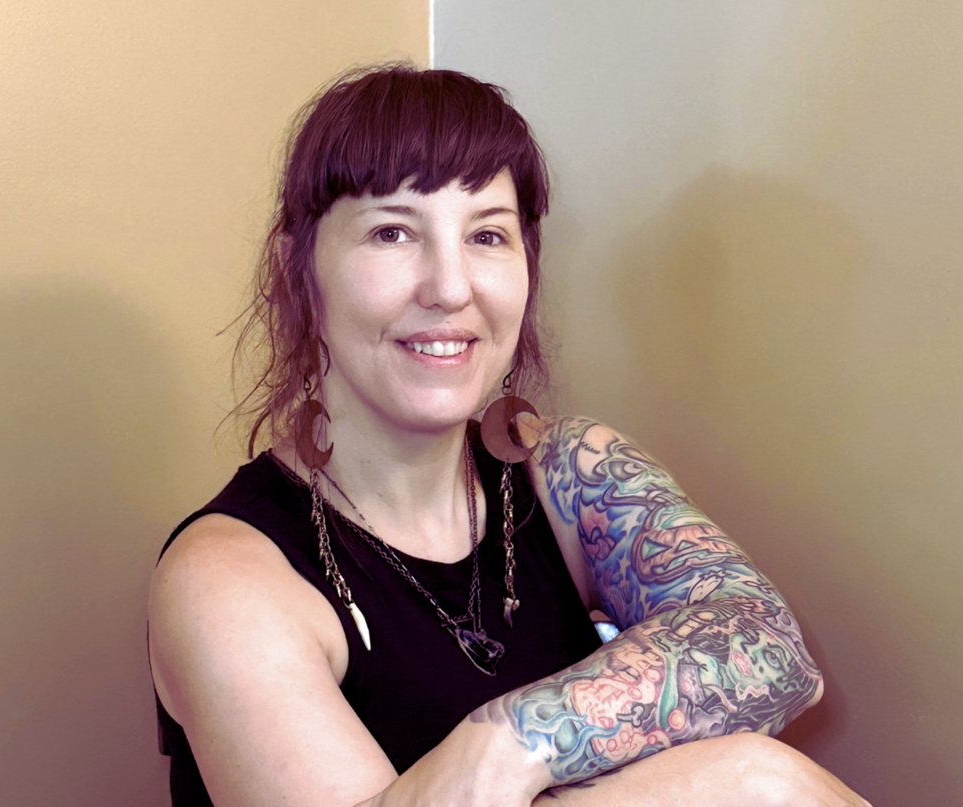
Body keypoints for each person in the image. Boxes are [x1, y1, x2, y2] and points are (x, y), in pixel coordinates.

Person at [147, 65, 870, 806]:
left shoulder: (570, 472)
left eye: (487, 234)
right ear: (299, 273)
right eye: (392, 231)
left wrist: (514, 741)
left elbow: (773, 653)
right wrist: (744, 780)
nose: (451, 287)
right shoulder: (228, 580)